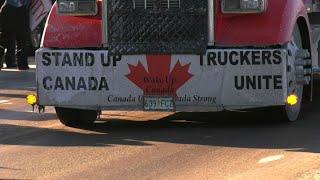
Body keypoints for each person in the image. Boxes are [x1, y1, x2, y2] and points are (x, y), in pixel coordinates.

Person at [0, 0, 30, 70]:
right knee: (21, 39)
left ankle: (13, 62)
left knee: (4, 38)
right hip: (20, 10)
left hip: (8, 9)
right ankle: (22, 64)